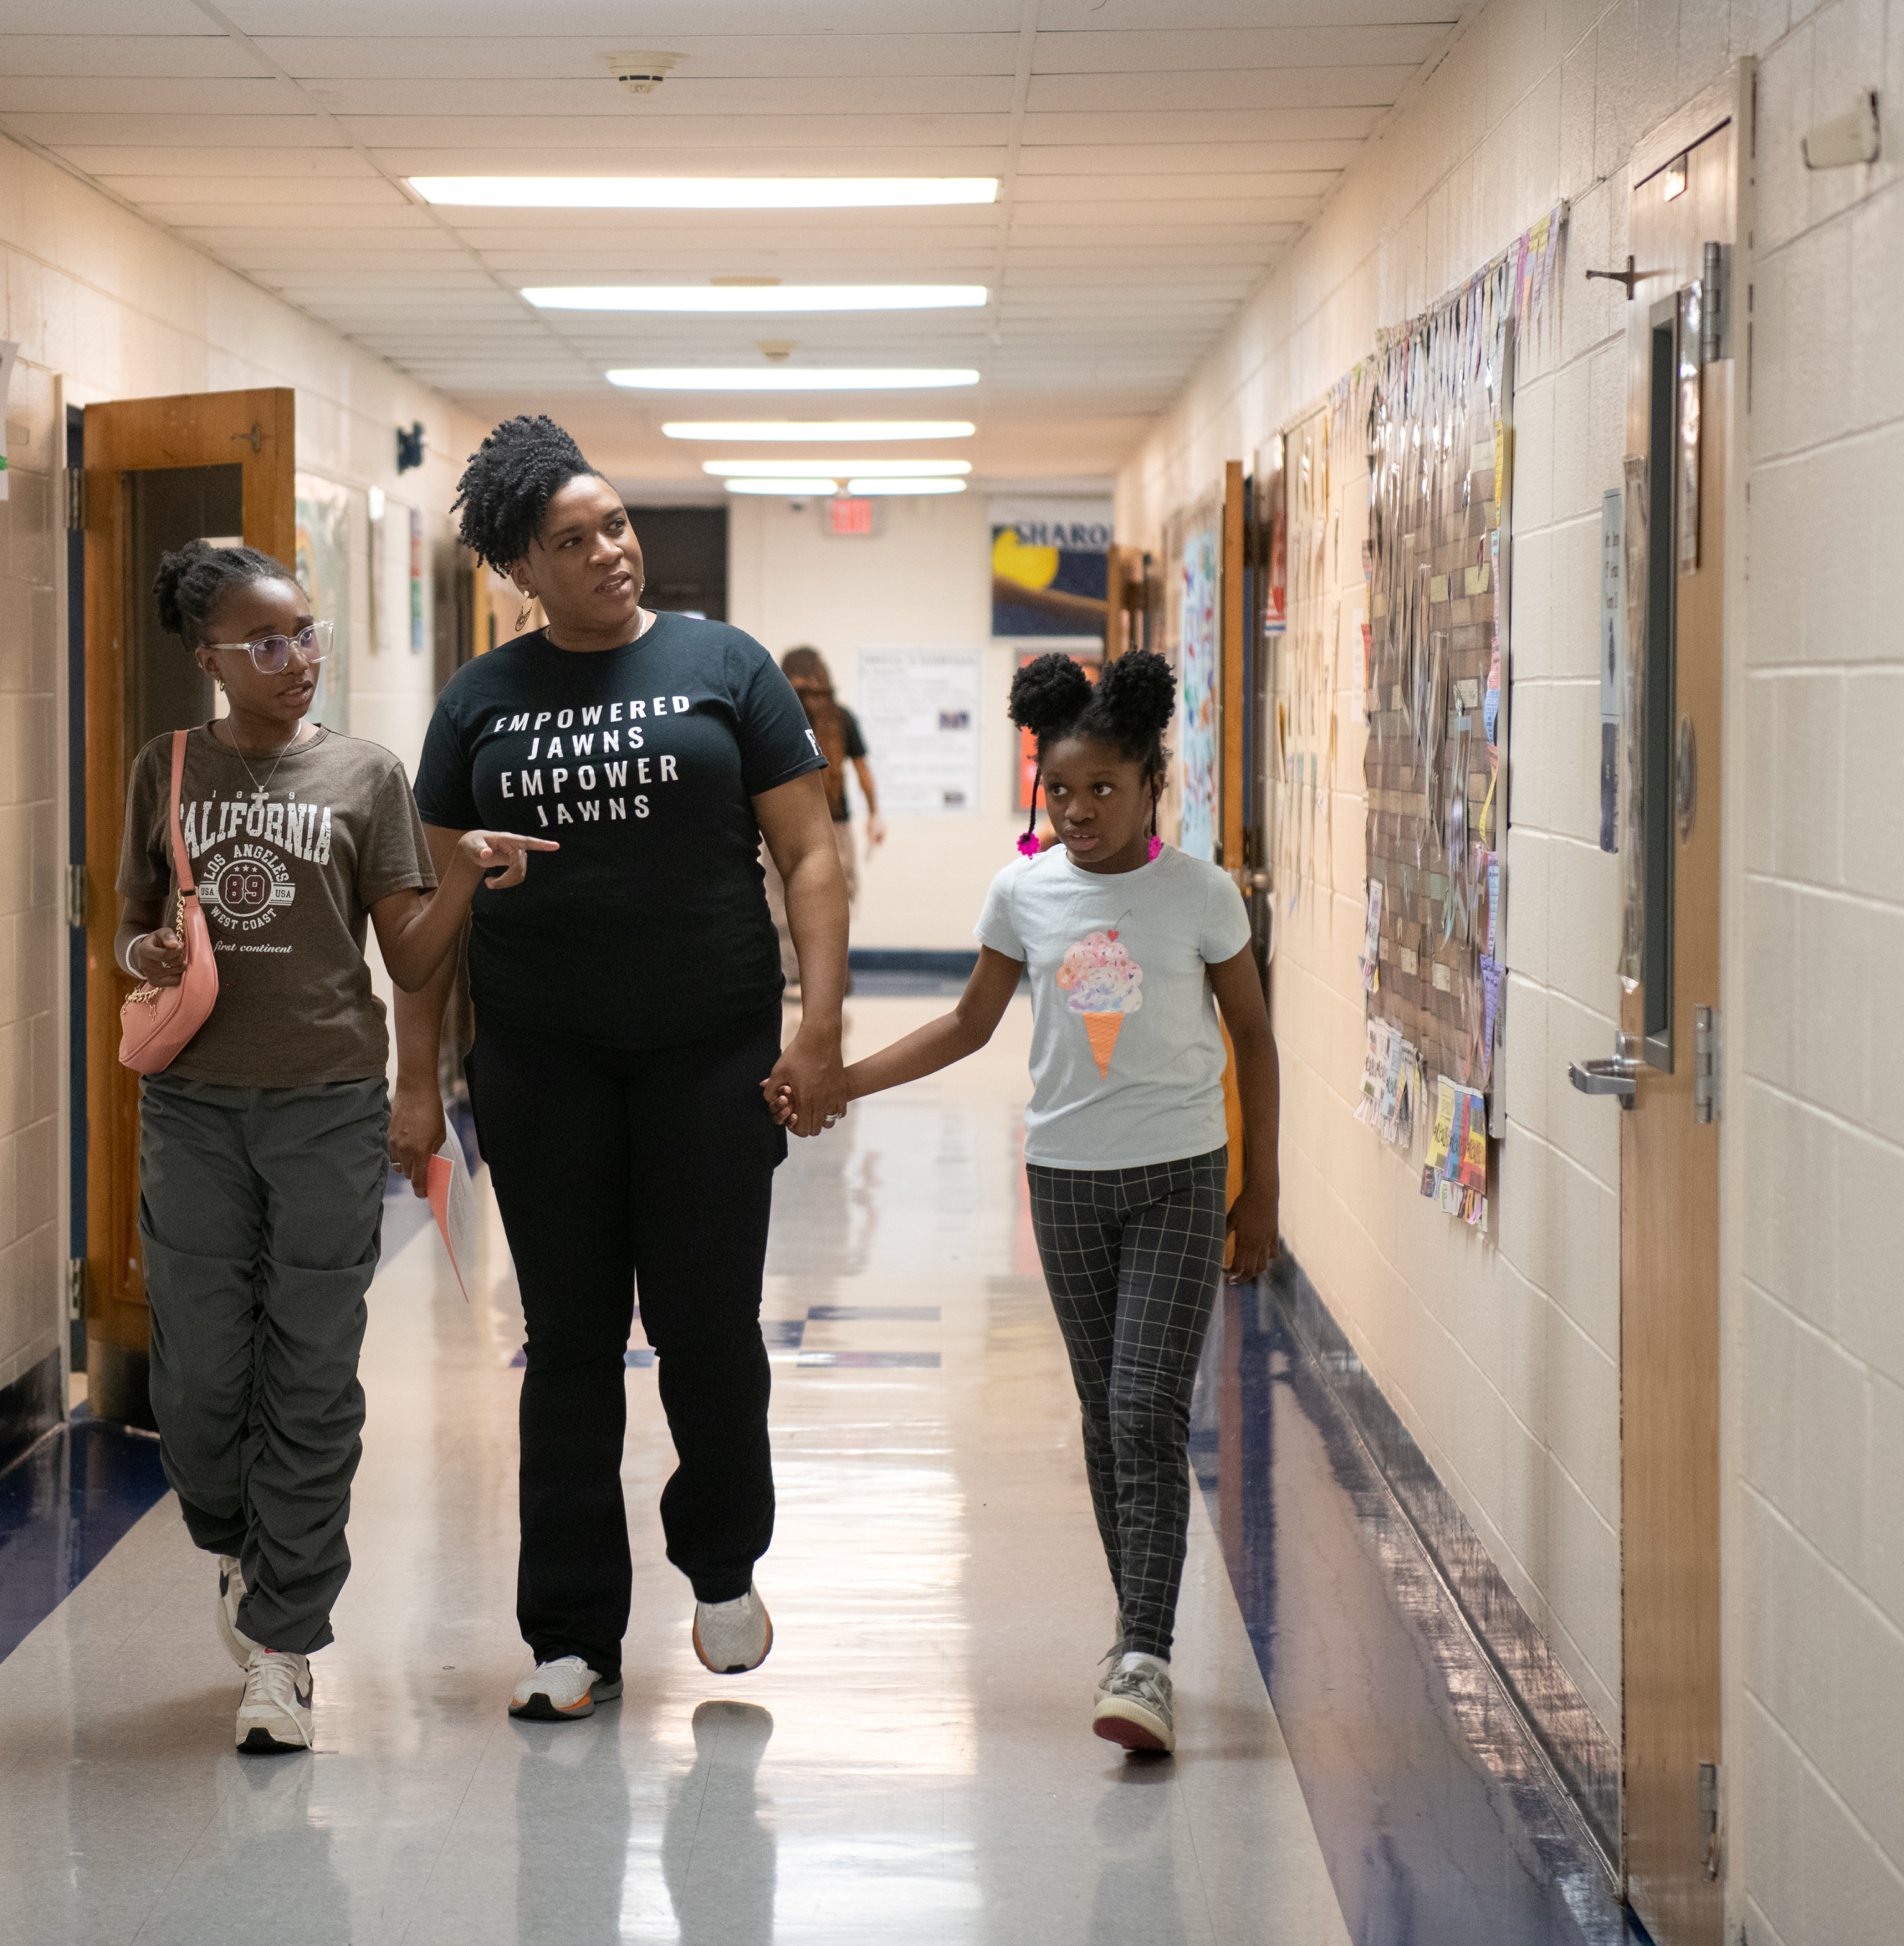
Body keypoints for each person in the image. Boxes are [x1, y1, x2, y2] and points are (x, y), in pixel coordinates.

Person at [401, 415, 851, 1723]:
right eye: (571, 541)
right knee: (568, 1345)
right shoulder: (478, 701)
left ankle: (720, 1567)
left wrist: (813, 1027)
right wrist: (415, 1078)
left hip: (708, 1055)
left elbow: (808, 854)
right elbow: (430, 916)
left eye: (612, 524)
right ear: (520, 572)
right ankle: (570, 1631)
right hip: (539, 1065)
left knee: (708, 1327)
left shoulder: (725, 665)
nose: (608, 552)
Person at [783, 650, 1280, 1755]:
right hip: (1062, 1180)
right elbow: (966, 1026)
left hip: (1181, 1176)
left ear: (1152, 782)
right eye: (1059, 790)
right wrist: (840, 1080)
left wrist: (1263, 1190)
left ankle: (1143, 1657)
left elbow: (1251, 1036)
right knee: (1108, 1420)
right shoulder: (1021, 892)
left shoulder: (1201, 894)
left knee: (1145, 1408)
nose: (1078, 810)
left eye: (1103, 788)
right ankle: (1135, 1630)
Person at [118, 543, 549, 1754]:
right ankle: (235, 1547)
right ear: (207, 661)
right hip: (193, 1109)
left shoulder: (365, 776)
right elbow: (125, 927)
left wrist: (464, 872)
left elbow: (412, 960)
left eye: (305, 633)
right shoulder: (170, 767)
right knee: (198, 1380)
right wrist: (140, 957)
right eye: (265, 643)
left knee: (310, 1374)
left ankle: (285, 1646)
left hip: (324, 1106)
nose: (296, 659)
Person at [767, 647, 883, 987]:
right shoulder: (842, 717)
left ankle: (791, 974)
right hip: (834, 825)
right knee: (835, 899)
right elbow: (863, 772)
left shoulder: (774, 714)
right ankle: (831, 974)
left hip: (781, 823)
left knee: (780, 896)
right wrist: (875, 815)